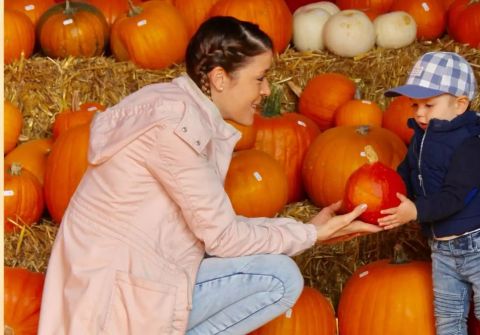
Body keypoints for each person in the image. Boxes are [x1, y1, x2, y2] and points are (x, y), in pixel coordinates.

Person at [38, 16, 381, 335]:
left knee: (269, 269)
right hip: (115, 297)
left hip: (121, 277)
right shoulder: (177, 130)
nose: (266, 91)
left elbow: (213, 232)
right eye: (259, 78)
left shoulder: (173, 106)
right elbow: (224, 238)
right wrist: (308, 234)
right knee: (279, 278)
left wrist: (306, 230)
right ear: (220, 78)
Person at [378, 52, 480, 335]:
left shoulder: (474, 143)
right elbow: (408, 172)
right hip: (443, 248)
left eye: (429, 104)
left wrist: (416, 211)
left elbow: (456, 195)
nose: (419, 112)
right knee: (448, 321)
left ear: (460, 104)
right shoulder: (422, 137)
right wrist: (383, 191)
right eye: (415, 104)